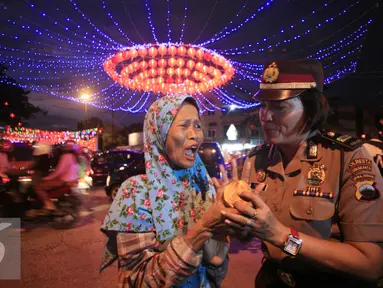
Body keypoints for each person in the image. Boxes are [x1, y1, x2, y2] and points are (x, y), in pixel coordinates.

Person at [221, 59, 383, 287]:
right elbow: (249, 233)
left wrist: (281, 236)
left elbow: (371, 264)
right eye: (264, 105)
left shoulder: (347, 158)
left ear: (311, 110)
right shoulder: (257, 160)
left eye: (279, 107)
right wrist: (236, 222)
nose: (265, 117)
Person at [100, 94, 238, 287]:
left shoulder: (203, 187)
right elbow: (138, 280)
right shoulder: (136, 192)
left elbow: (213, 272)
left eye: (197, 125)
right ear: (160, 132)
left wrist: (220, 242)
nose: (195, 134)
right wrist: (202, 230)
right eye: (184, 125)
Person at [35, 140, 80, 211]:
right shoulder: (74, 157)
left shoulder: (66, 156)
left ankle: (49, 205)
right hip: (72, 180)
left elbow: (59, 171)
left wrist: (47, 178)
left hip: (64, 180)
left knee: (39, 187)